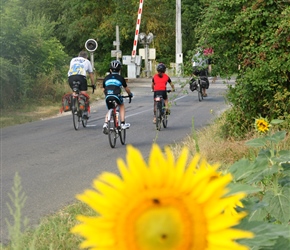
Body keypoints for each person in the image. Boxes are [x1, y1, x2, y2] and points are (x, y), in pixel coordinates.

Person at [102, 60, 133, 134]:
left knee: (110, 109)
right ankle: (122, 123)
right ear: (120, 70)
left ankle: (105, 124)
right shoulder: (120, 78)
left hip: (108, 96)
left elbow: (103, 89)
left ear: (110, 70)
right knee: (121, 105)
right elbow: (126, 89)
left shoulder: (106, 78)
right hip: (116, 95)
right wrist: (130, 94)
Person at [68, 51, 95, 118]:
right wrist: (93, 84)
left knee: (75, 91)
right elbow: (91, 74)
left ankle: (73, 104)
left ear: (78, 55)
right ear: (86, 57)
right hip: (81, 77)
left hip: (71, 77)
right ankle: (85, 112)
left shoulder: (73, 59)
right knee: (83, 94)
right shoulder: (87, 61)